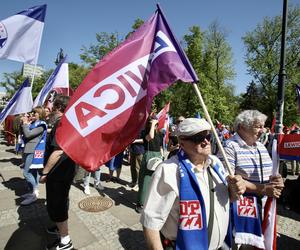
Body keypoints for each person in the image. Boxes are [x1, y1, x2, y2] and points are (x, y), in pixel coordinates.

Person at [141, 118, 246, 250]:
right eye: (198, 138)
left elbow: (227, 199)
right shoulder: (168, 170)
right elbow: (151, 223)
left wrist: (235, 190)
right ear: (182, 142)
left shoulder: (216, 163)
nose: (206, 141)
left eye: (208, 135)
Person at [221, 110, 284, 249]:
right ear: (242, 127)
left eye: (263, 126)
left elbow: (271, 173)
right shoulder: (229, 146)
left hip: (264, 207)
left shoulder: (261, 146)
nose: (263, 130)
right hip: (243, 211)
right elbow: (227, 179)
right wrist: (263, 189)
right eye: (258, 126)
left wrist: (278, 180)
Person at [39, 95, 75, 250]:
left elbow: (58, 151)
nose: (50, 109)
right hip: (62, 172)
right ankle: (58, 227)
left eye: (53, 107)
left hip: (59, 173)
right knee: (58, 203)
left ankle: (65, 241)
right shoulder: (65, 122)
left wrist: (45, 172)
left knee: (58, 204)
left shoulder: (62, 123)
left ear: (59, 107)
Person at [20, 107, 47, 205]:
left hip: (34, 151)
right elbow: (22, 133)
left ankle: (34, 193)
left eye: (35, 112)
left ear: (40, 114)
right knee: (33, 173)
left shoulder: (41, 125)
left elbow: (28, 134)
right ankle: (32, 192)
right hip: (28, 149)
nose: (32, 114)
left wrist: (25, 124)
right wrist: (23, 123)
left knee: (26, 173)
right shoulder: (33, 123)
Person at [136, 117, 163, 213]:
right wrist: (152, 124)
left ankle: (150, 201)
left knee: (155, 181)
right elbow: (150, 136)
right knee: (144, 181)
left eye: (156, 124)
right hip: (148, 156)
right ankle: (140, 203)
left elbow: (160, 147)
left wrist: (162, 156)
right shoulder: (145, 133)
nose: (154, 126)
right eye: (152, 124)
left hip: (158, 156)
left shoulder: (160, 134)